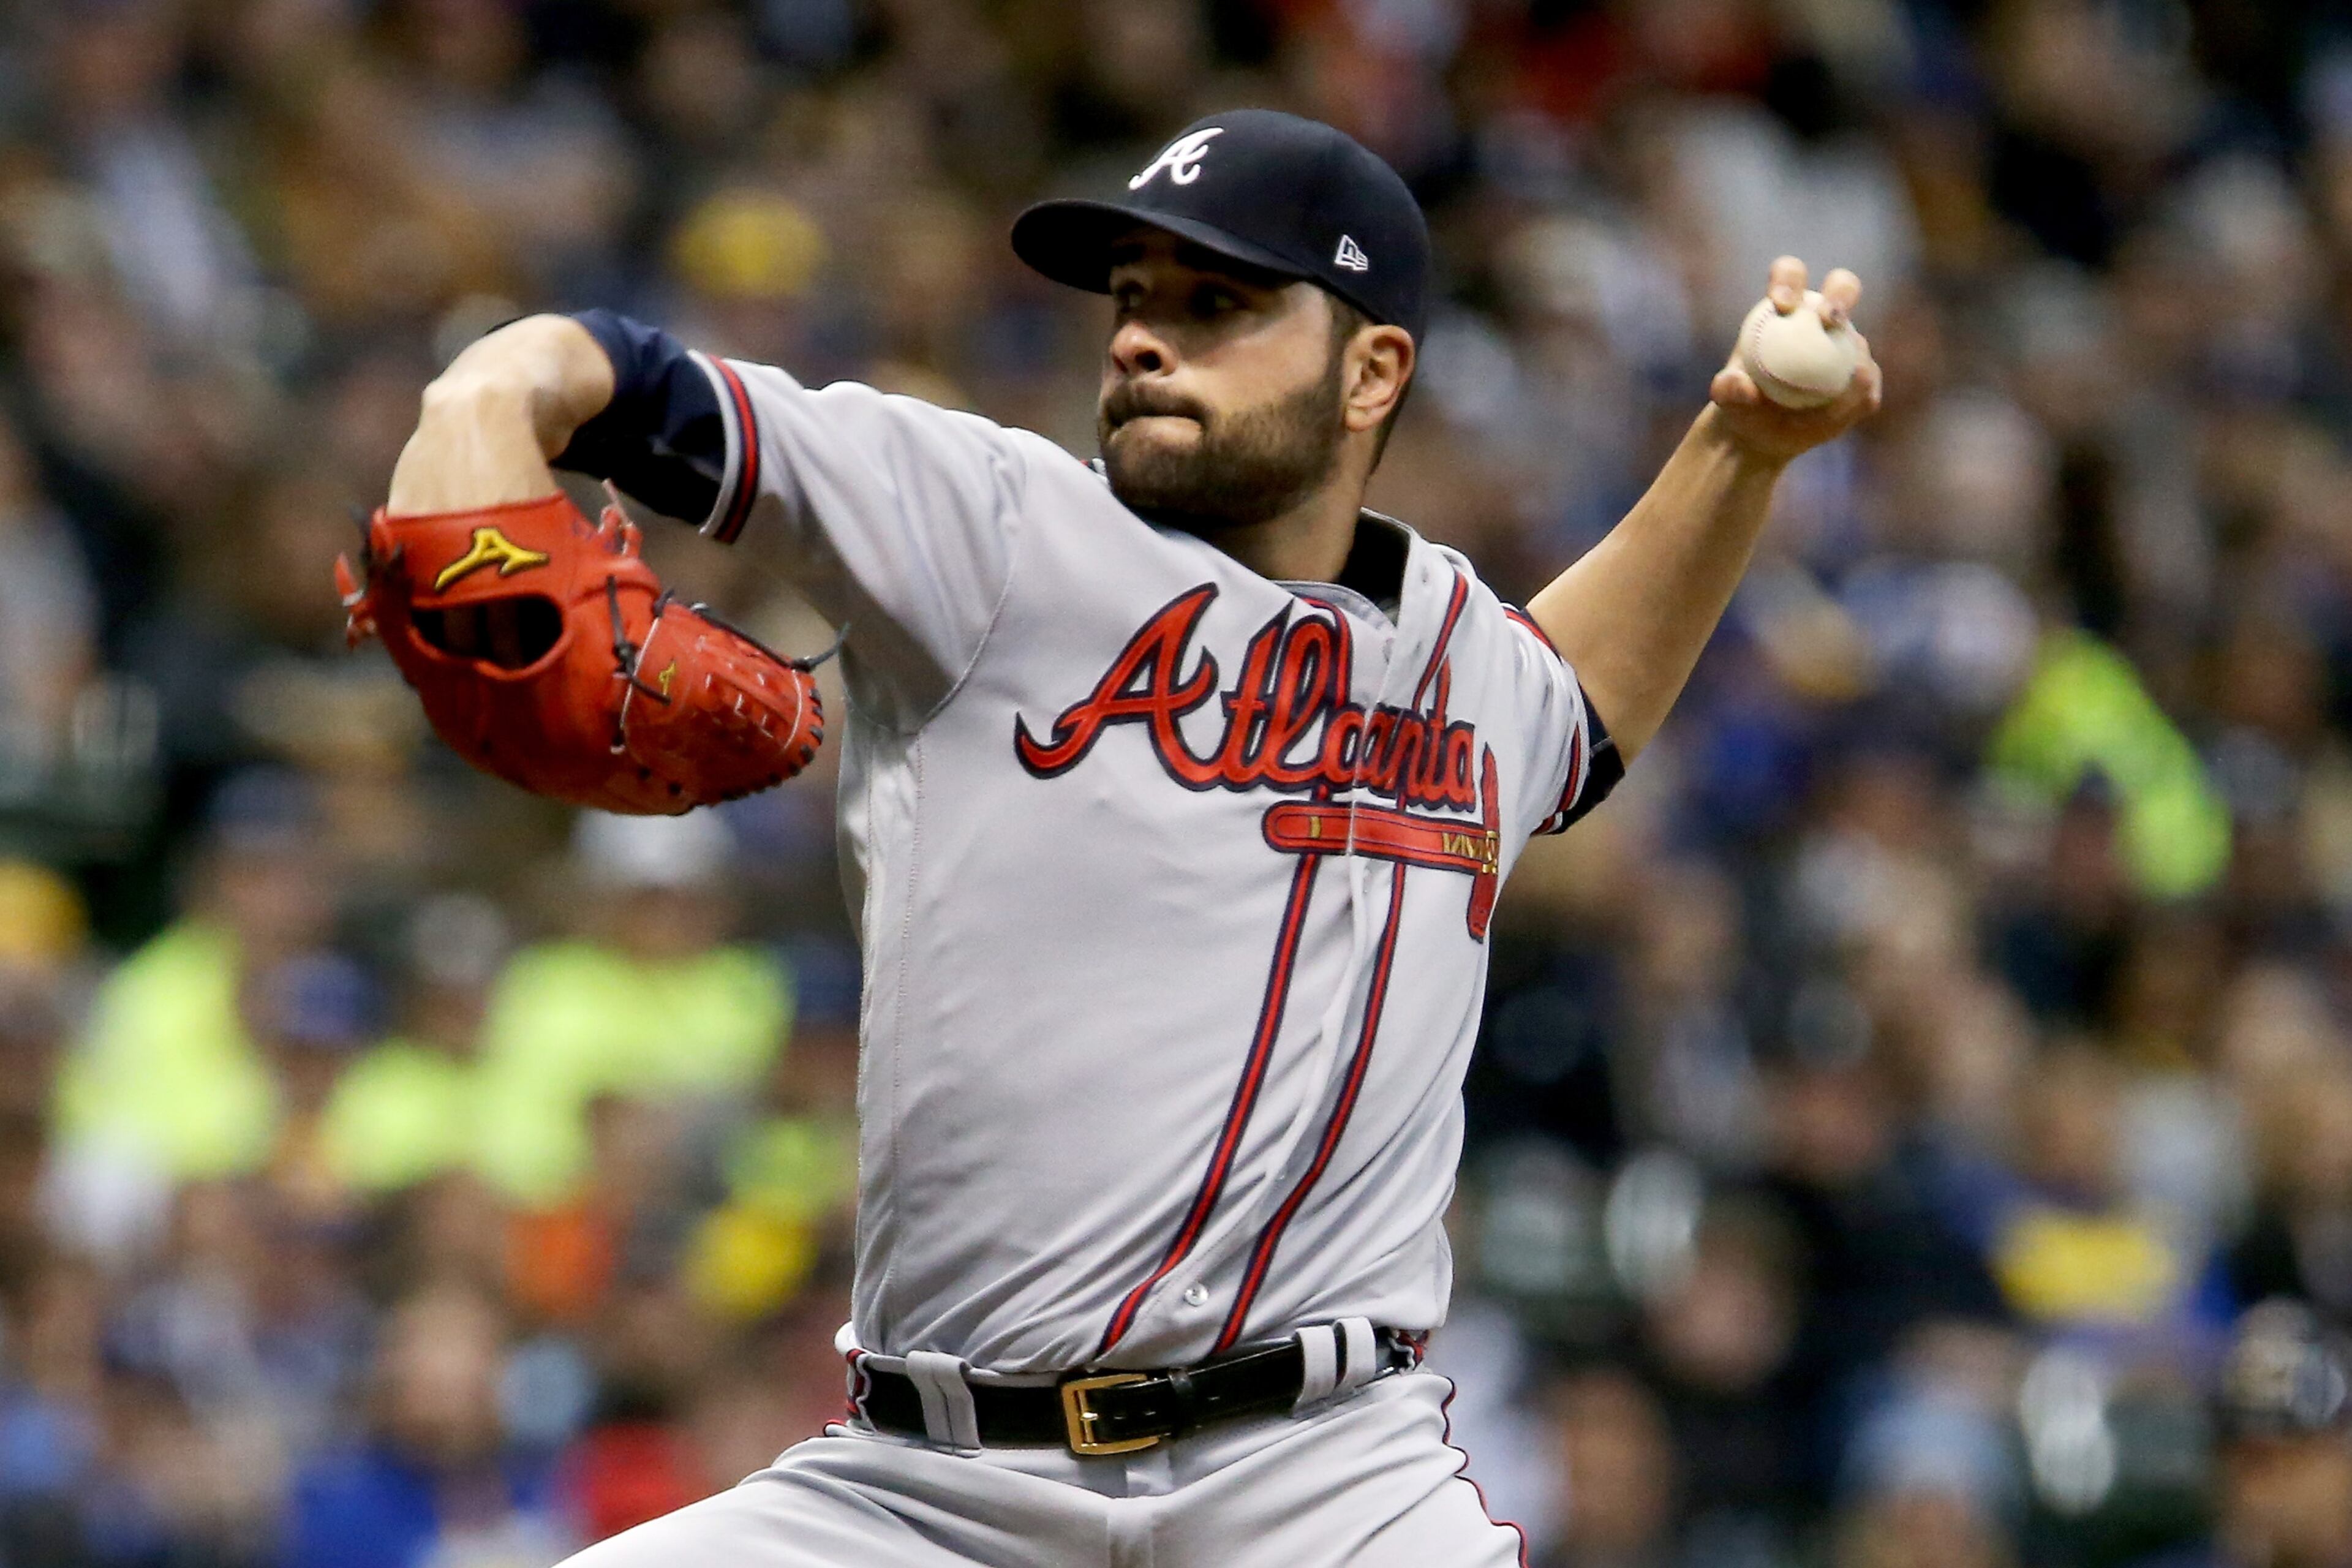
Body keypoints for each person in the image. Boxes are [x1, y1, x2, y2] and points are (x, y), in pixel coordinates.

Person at [379, 110, 1879, 1567]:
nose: (1144, 338)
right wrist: (484, 396)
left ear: (1374, 370)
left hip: (1327, 1478)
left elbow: (1582, 706)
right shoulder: (994, 529)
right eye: (1135, 301)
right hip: (928, 1489)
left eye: (1217, 303)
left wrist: (1740, 447)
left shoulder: (1463, 650)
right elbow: (629, 382)